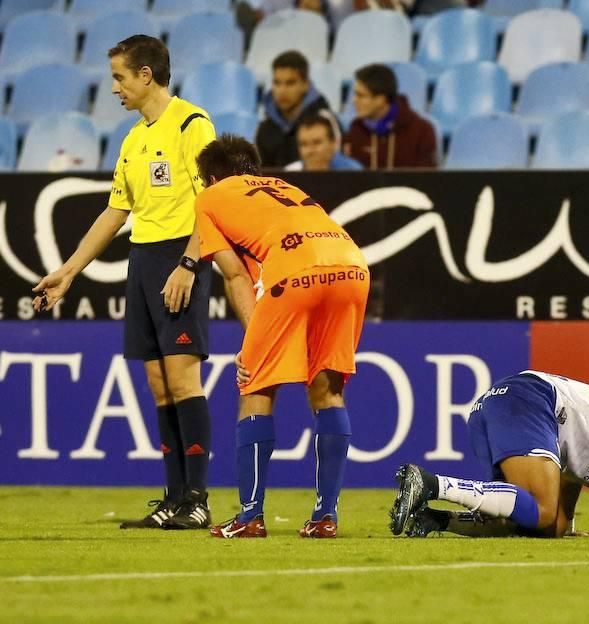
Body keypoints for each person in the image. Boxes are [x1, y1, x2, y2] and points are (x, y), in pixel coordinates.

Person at [31, 35, 217, 530]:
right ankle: (174, 498)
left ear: (146, 75)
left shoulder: (193, 125)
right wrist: (68, 272)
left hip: (181, 258)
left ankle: (198, 499)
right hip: (143, 260)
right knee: (159, 387)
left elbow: (211, 204)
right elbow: (117, 210)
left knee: (183, 380)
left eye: (119, 77)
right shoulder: (134, 139)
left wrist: (190, 264)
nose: (113, 87)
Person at [192, 135, 369, 539]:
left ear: (214, 177)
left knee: (256, 384)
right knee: (328, 390)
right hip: (352, 266)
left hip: (296, 270)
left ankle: (250, 515)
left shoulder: (211, 197)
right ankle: (326, 517)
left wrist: (253, 342)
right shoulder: (287, 187)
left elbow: (236, 275)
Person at [390, 371, 589, 540]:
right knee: (542, 512)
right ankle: (430, 483)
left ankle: (432, 519)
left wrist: (565, 527)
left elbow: (570, 474)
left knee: (542, 524)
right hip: (530, 398)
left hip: (495, 410)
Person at [255, 50, 341, 168]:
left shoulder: (325, 120)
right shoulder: (265, 128)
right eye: (277, 83)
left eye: (290, 83)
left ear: (305, 84)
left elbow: (339, 166)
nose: (282, 91)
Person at [342, 64, 437, 170]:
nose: (354, 100)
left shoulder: (422, 131)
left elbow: (427, 178)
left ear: (381, 99)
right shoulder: (356, 129)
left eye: (361, 96)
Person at [284, 114, 363, 171]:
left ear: (333, 143)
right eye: (304, 144)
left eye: (316, 143)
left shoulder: (353, 171)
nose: (310, 151)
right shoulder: (289, 174)